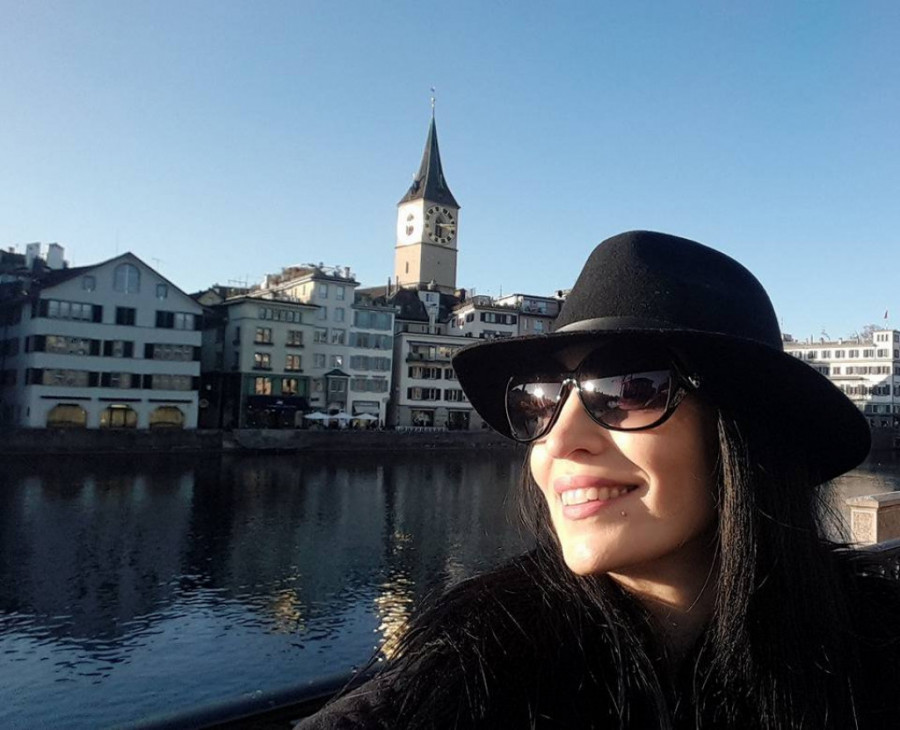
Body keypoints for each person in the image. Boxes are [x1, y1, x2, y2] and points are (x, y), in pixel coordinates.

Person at [298, 231, 900, 729]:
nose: (558, 441)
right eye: (539, 400)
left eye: (627, 390)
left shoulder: (875, 654)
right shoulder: (465, 677)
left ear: (745, 430)